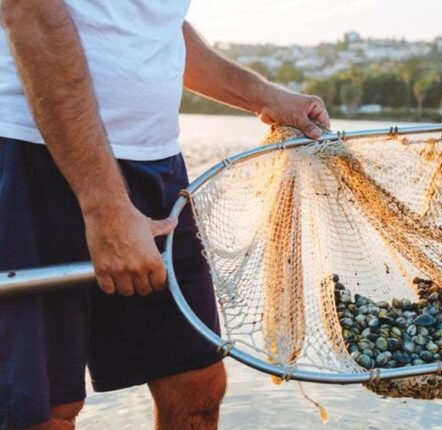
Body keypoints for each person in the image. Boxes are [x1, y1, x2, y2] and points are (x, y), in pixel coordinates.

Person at [0, 1, 330, 429]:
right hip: (34, 155)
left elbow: (152, 25)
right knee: (45, 413)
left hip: (158, 167)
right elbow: (29, 10)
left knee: (196, 386)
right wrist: (106, 207)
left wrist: (263, 96)